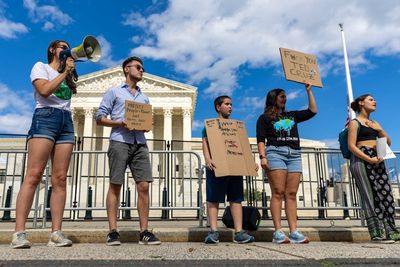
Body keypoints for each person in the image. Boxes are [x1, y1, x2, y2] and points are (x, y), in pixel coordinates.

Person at [11, 40, 76, 248]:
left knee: (60, 179)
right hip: (45, 118)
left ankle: (56, 233)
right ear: (52, 50)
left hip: (66, 120)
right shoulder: (41, 67)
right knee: (34, 174)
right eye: (62, 46)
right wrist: (64, 73)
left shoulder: (69, 73)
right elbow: (45, 91)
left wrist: (70, 73)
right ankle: (19, 233)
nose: (66, 49)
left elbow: (70, 94)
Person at [95, 56, 161, 246]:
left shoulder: (144, 97)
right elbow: (99, 117)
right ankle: (113, 232)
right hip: (119, 141)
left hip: (140, 143)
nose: (142, 70)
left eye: (142, 68)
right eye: (139, 67)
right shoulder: (114, 92)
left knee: (144, 186)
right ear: (126, 69)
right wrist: (119, 123)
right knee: (116, 184)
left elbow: (144, 121)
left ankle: (144, 232)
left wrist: (147, 125)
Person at [256, 83, 316, 244]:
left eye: (285, 96)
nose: (285, 98)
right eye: (281, 95)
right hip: (275, 153)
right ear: (273, 98)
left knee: (291, 194)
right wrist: (263, 157)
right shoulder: (264, 118)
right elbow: (261, 139)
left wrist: (308, 91)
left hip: (294, 154)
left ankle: (294, 231)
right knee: (278, 191)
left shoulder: (292, 115)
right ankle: (277, 232)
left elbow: (312, 111)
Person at [202, 95, 256, 244]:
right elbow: (205, 143)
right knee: (213, 200)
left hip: (234, 166)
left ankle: (239, 232)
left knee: (236, 199)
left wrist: (250, 162)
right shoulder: (210, 125)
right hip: (216, 166)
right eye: (227, 104)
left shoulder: (236, 126)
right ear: (218, 107)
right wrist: (207, 158)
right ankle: (213, 232)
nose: (230, 107)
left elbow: (243, 146)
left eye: (231, 104)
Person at [348, 94, 400, 243]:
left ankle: (391, 231)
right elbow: (351, 146)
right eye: (371, 99)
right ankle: (376, 233)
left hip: (377, 159)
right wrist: (368, 159)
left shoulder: (374, 122)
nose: (375, 101)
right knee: (370, 195)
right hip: (362, 160)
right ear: (361, 103)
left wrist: (380, 129)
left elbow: (388, 142)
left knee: (386, 194)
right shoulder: (354, 123)